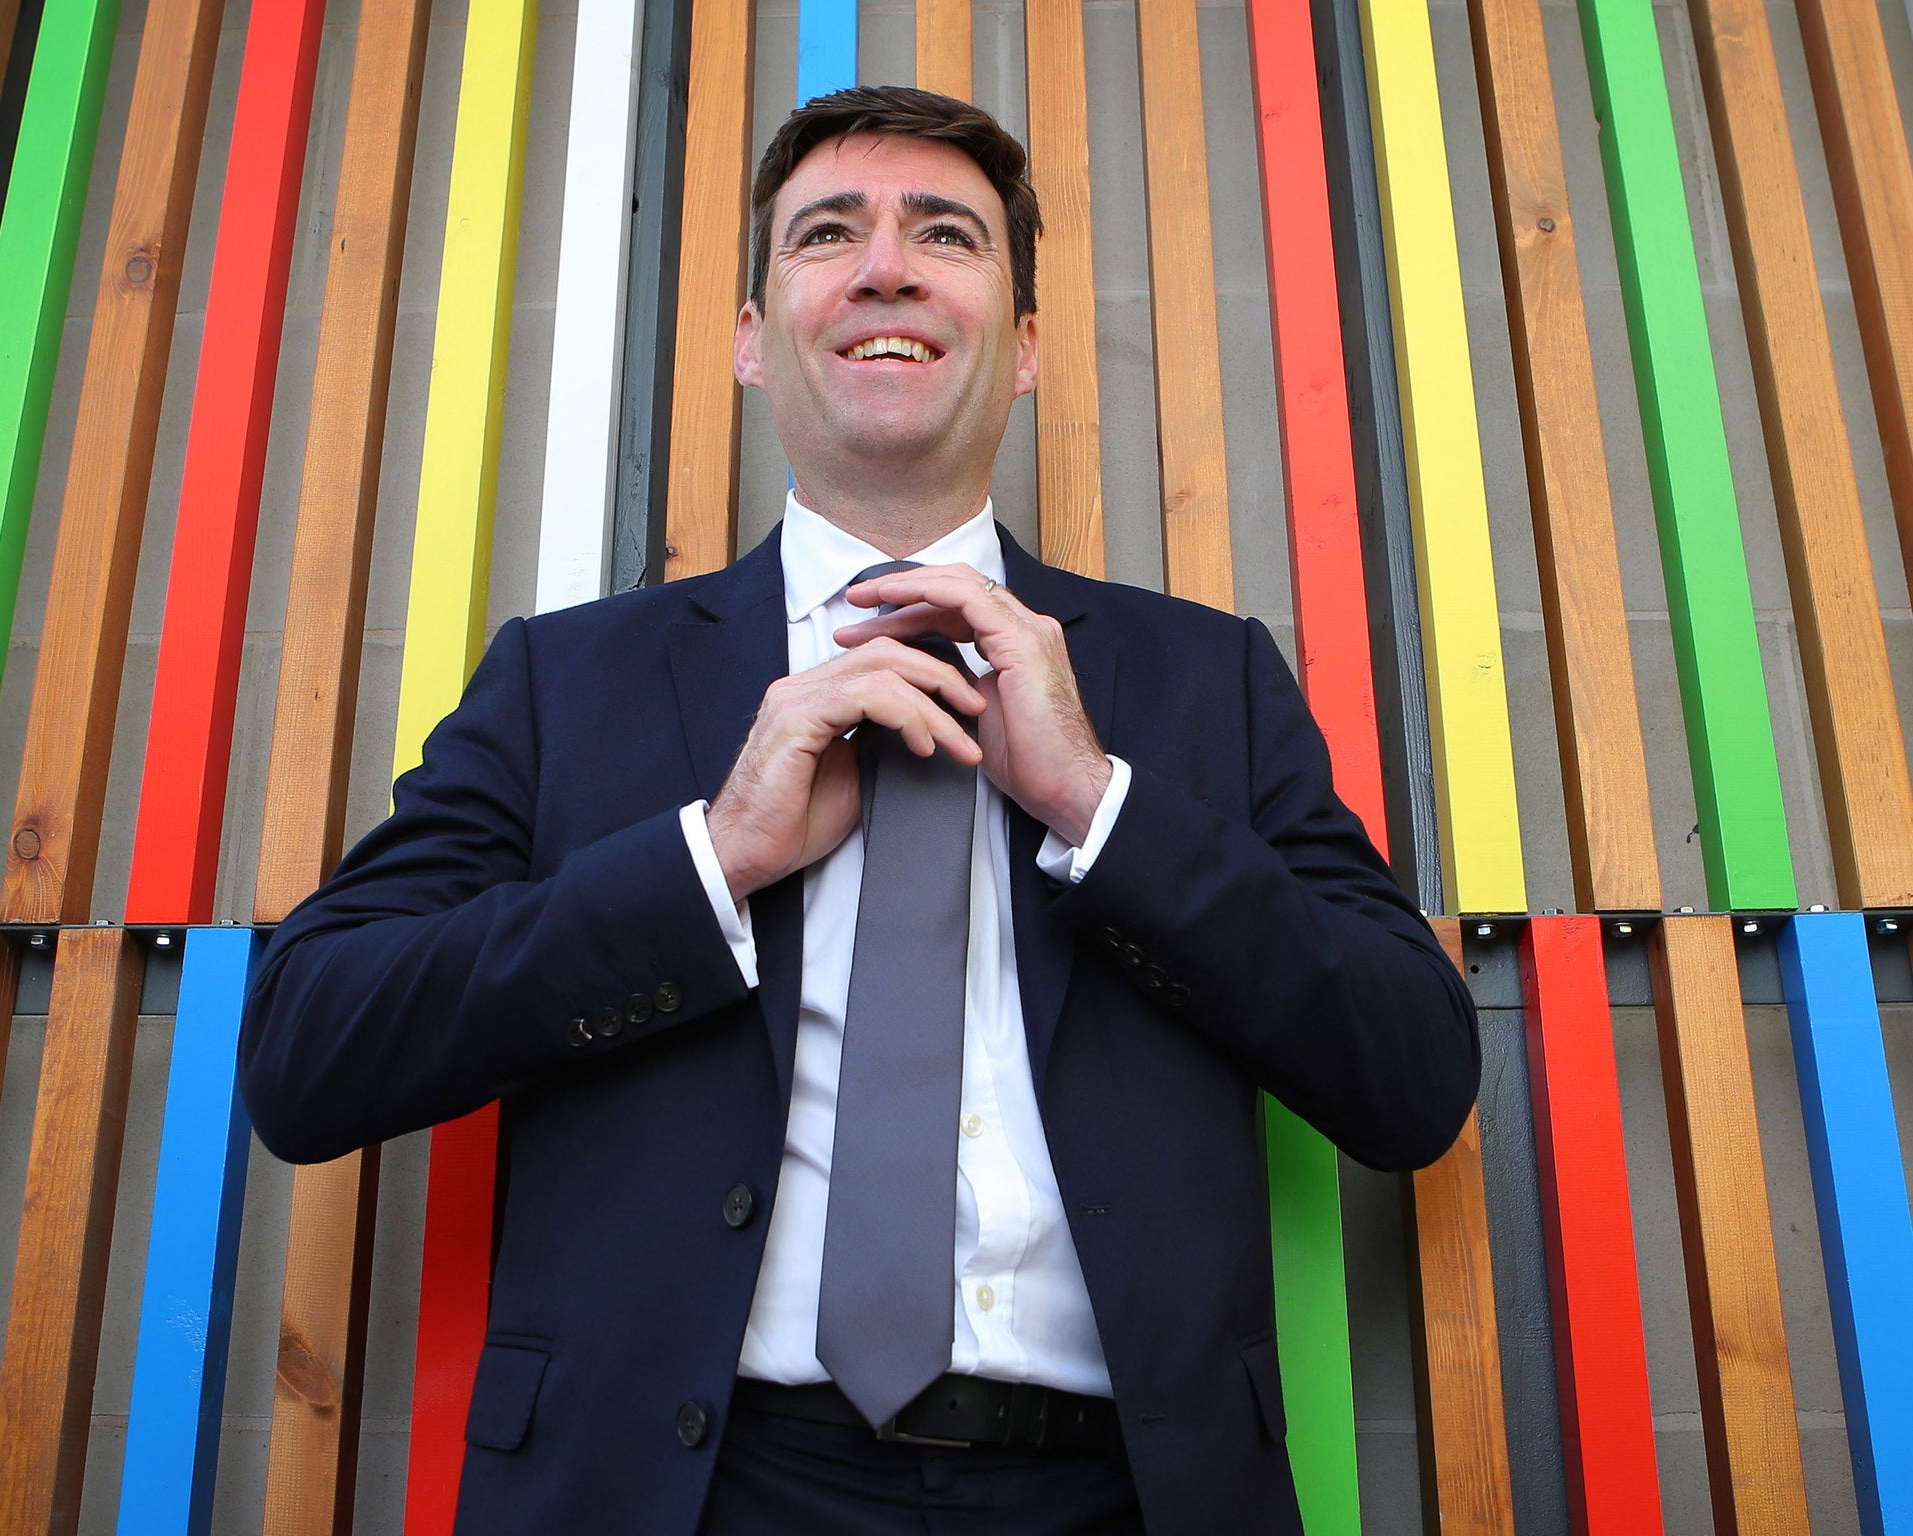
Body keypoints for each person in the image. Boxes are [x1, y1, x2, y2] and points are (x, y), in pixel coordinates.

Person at [239, 85, 1479, 1536]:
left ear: (1019, 349)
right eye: (829, 234)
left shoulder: (1209, 681)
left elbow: (1413, 1076)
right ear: (757, 342)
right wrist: (711, 863)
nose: (886, 266)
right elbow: (308, 1049)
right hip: (678, 1490)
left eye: (944, 235)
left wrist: (1101, 810)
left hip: (1122, 1494)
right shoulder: (565, 681)